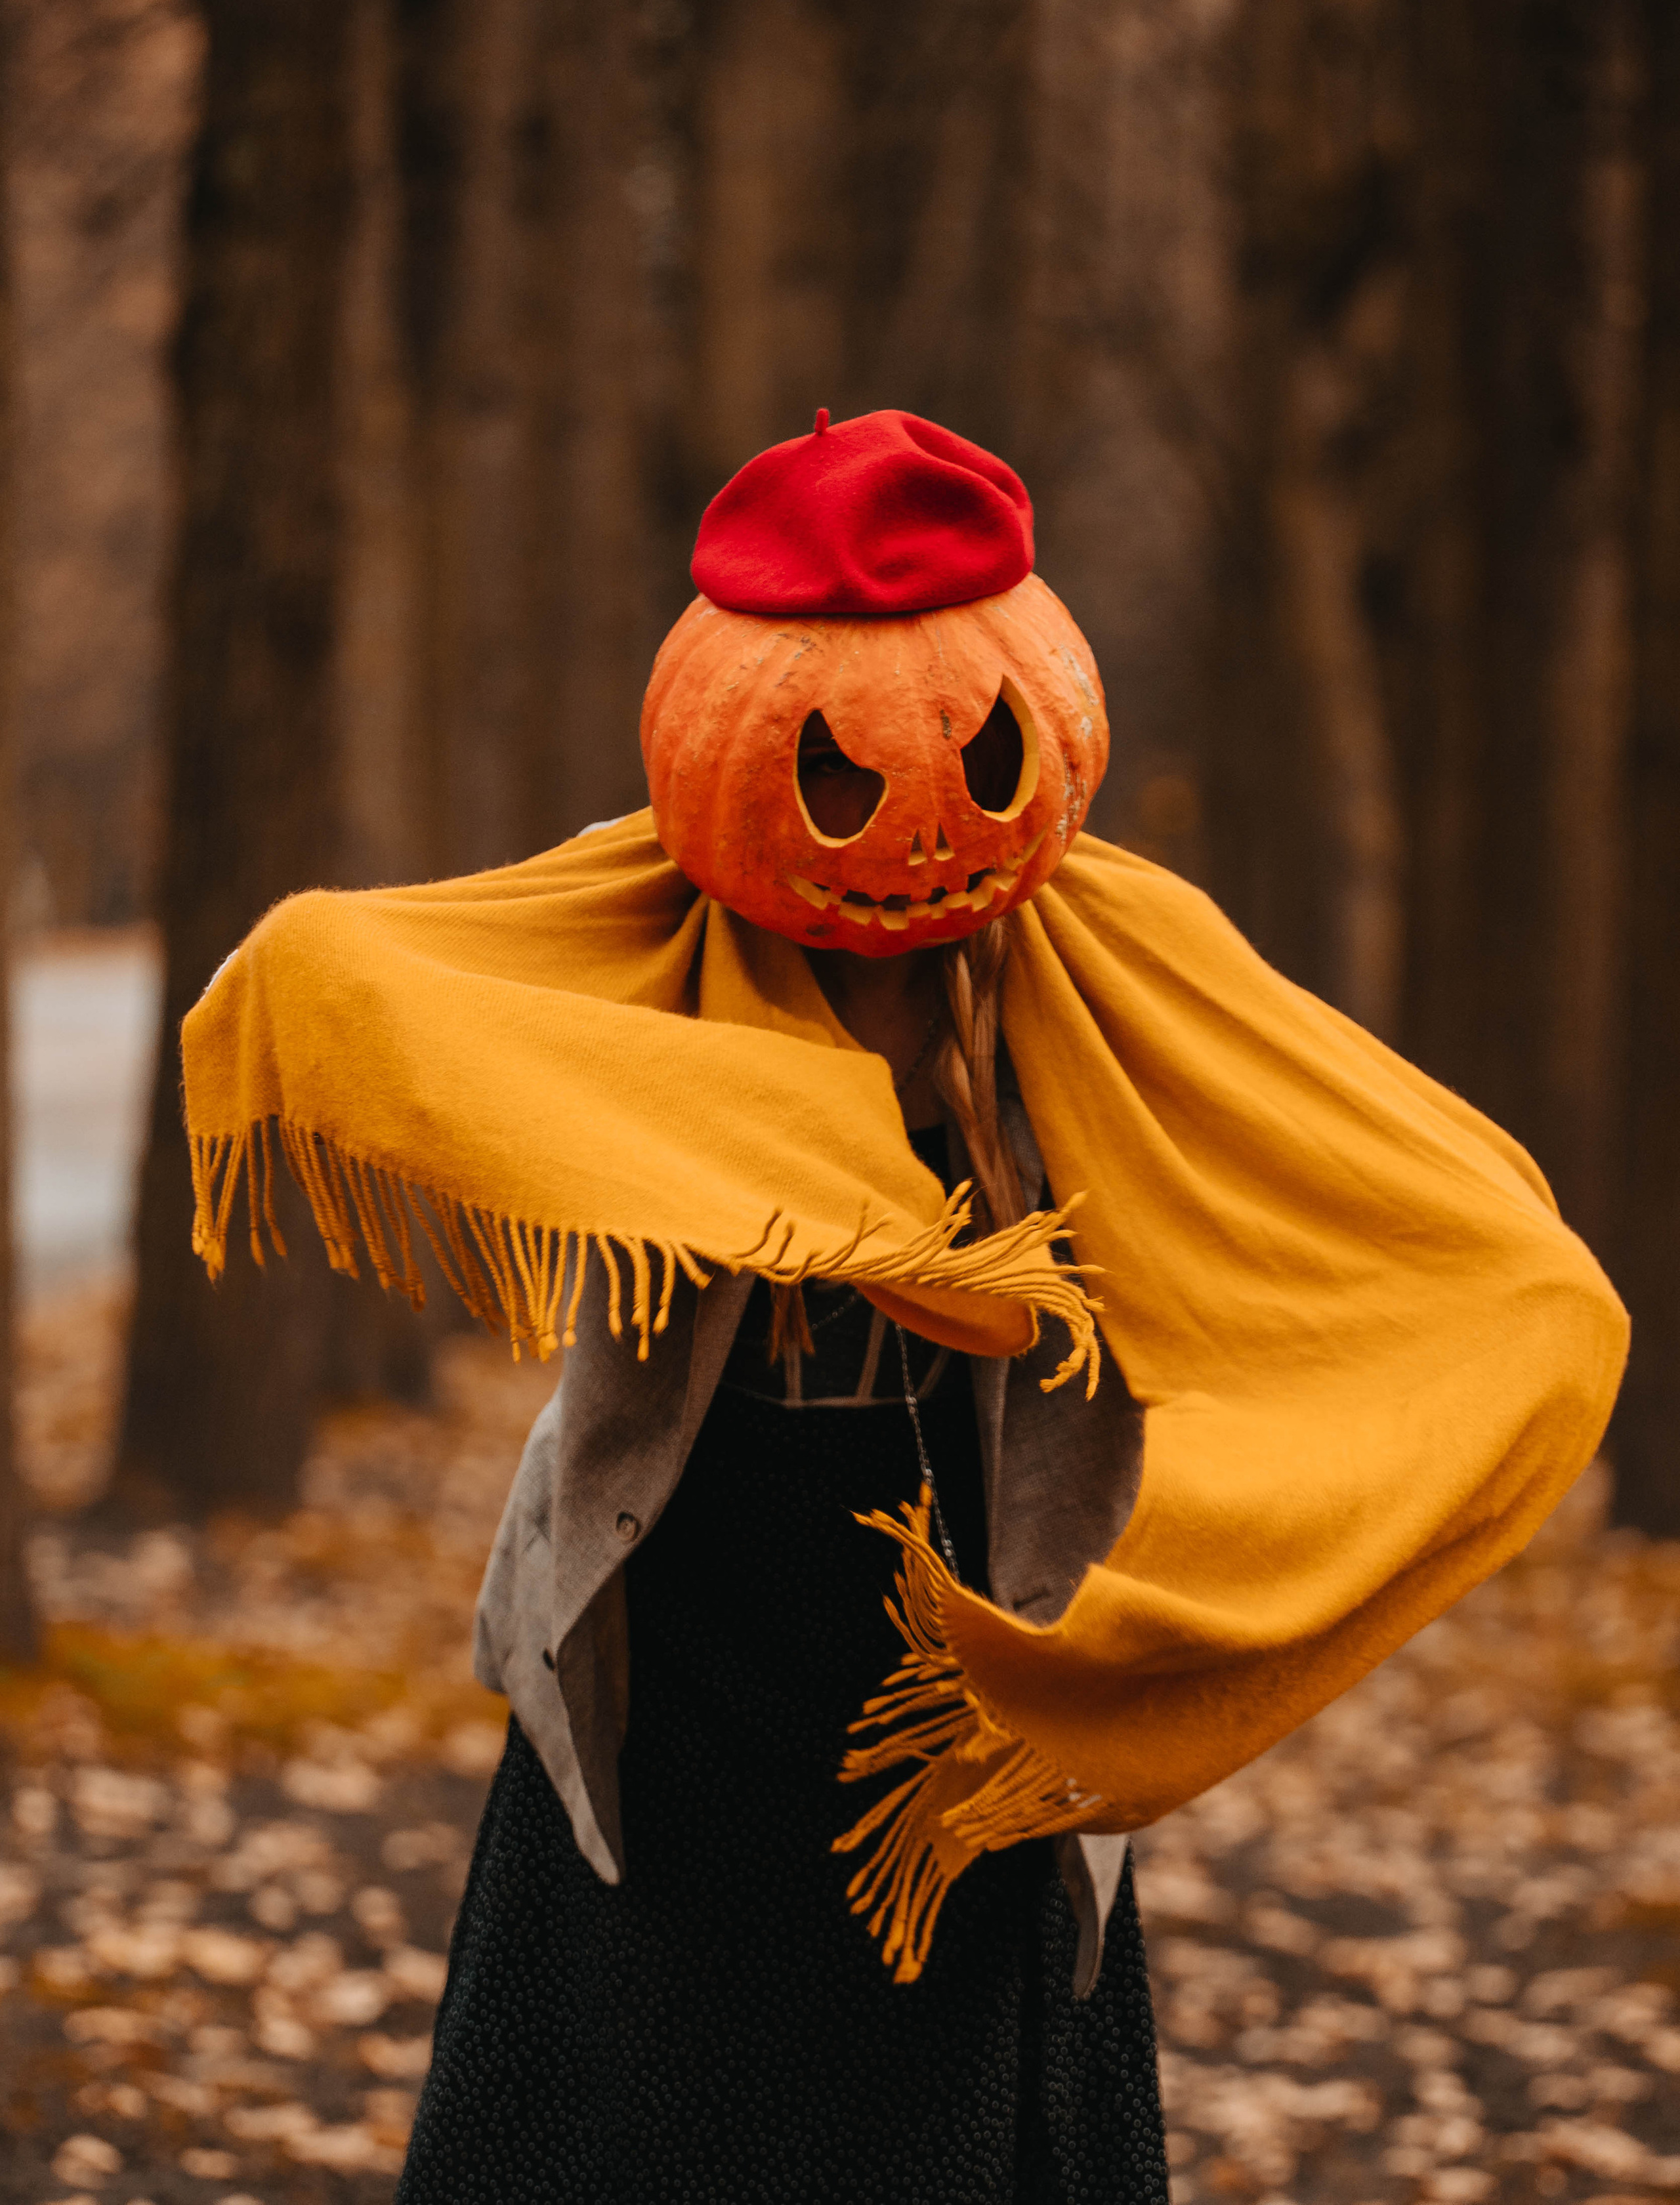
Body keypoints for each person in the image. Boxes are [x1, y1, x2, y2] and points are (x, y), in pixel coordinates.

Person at [180, 409, 1627, 2204]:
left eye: (975, 755)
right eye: (836, 779)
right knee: (621, 2126)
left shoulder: (1107, 968)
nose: (908, 822)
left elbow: (1447, 1231)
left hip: (951, 1674)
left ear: (1047, 729)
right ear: (732, 761)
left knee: (944, 2136)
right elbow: (345, 970)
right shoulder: (659, 933)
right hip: (687, 1651)